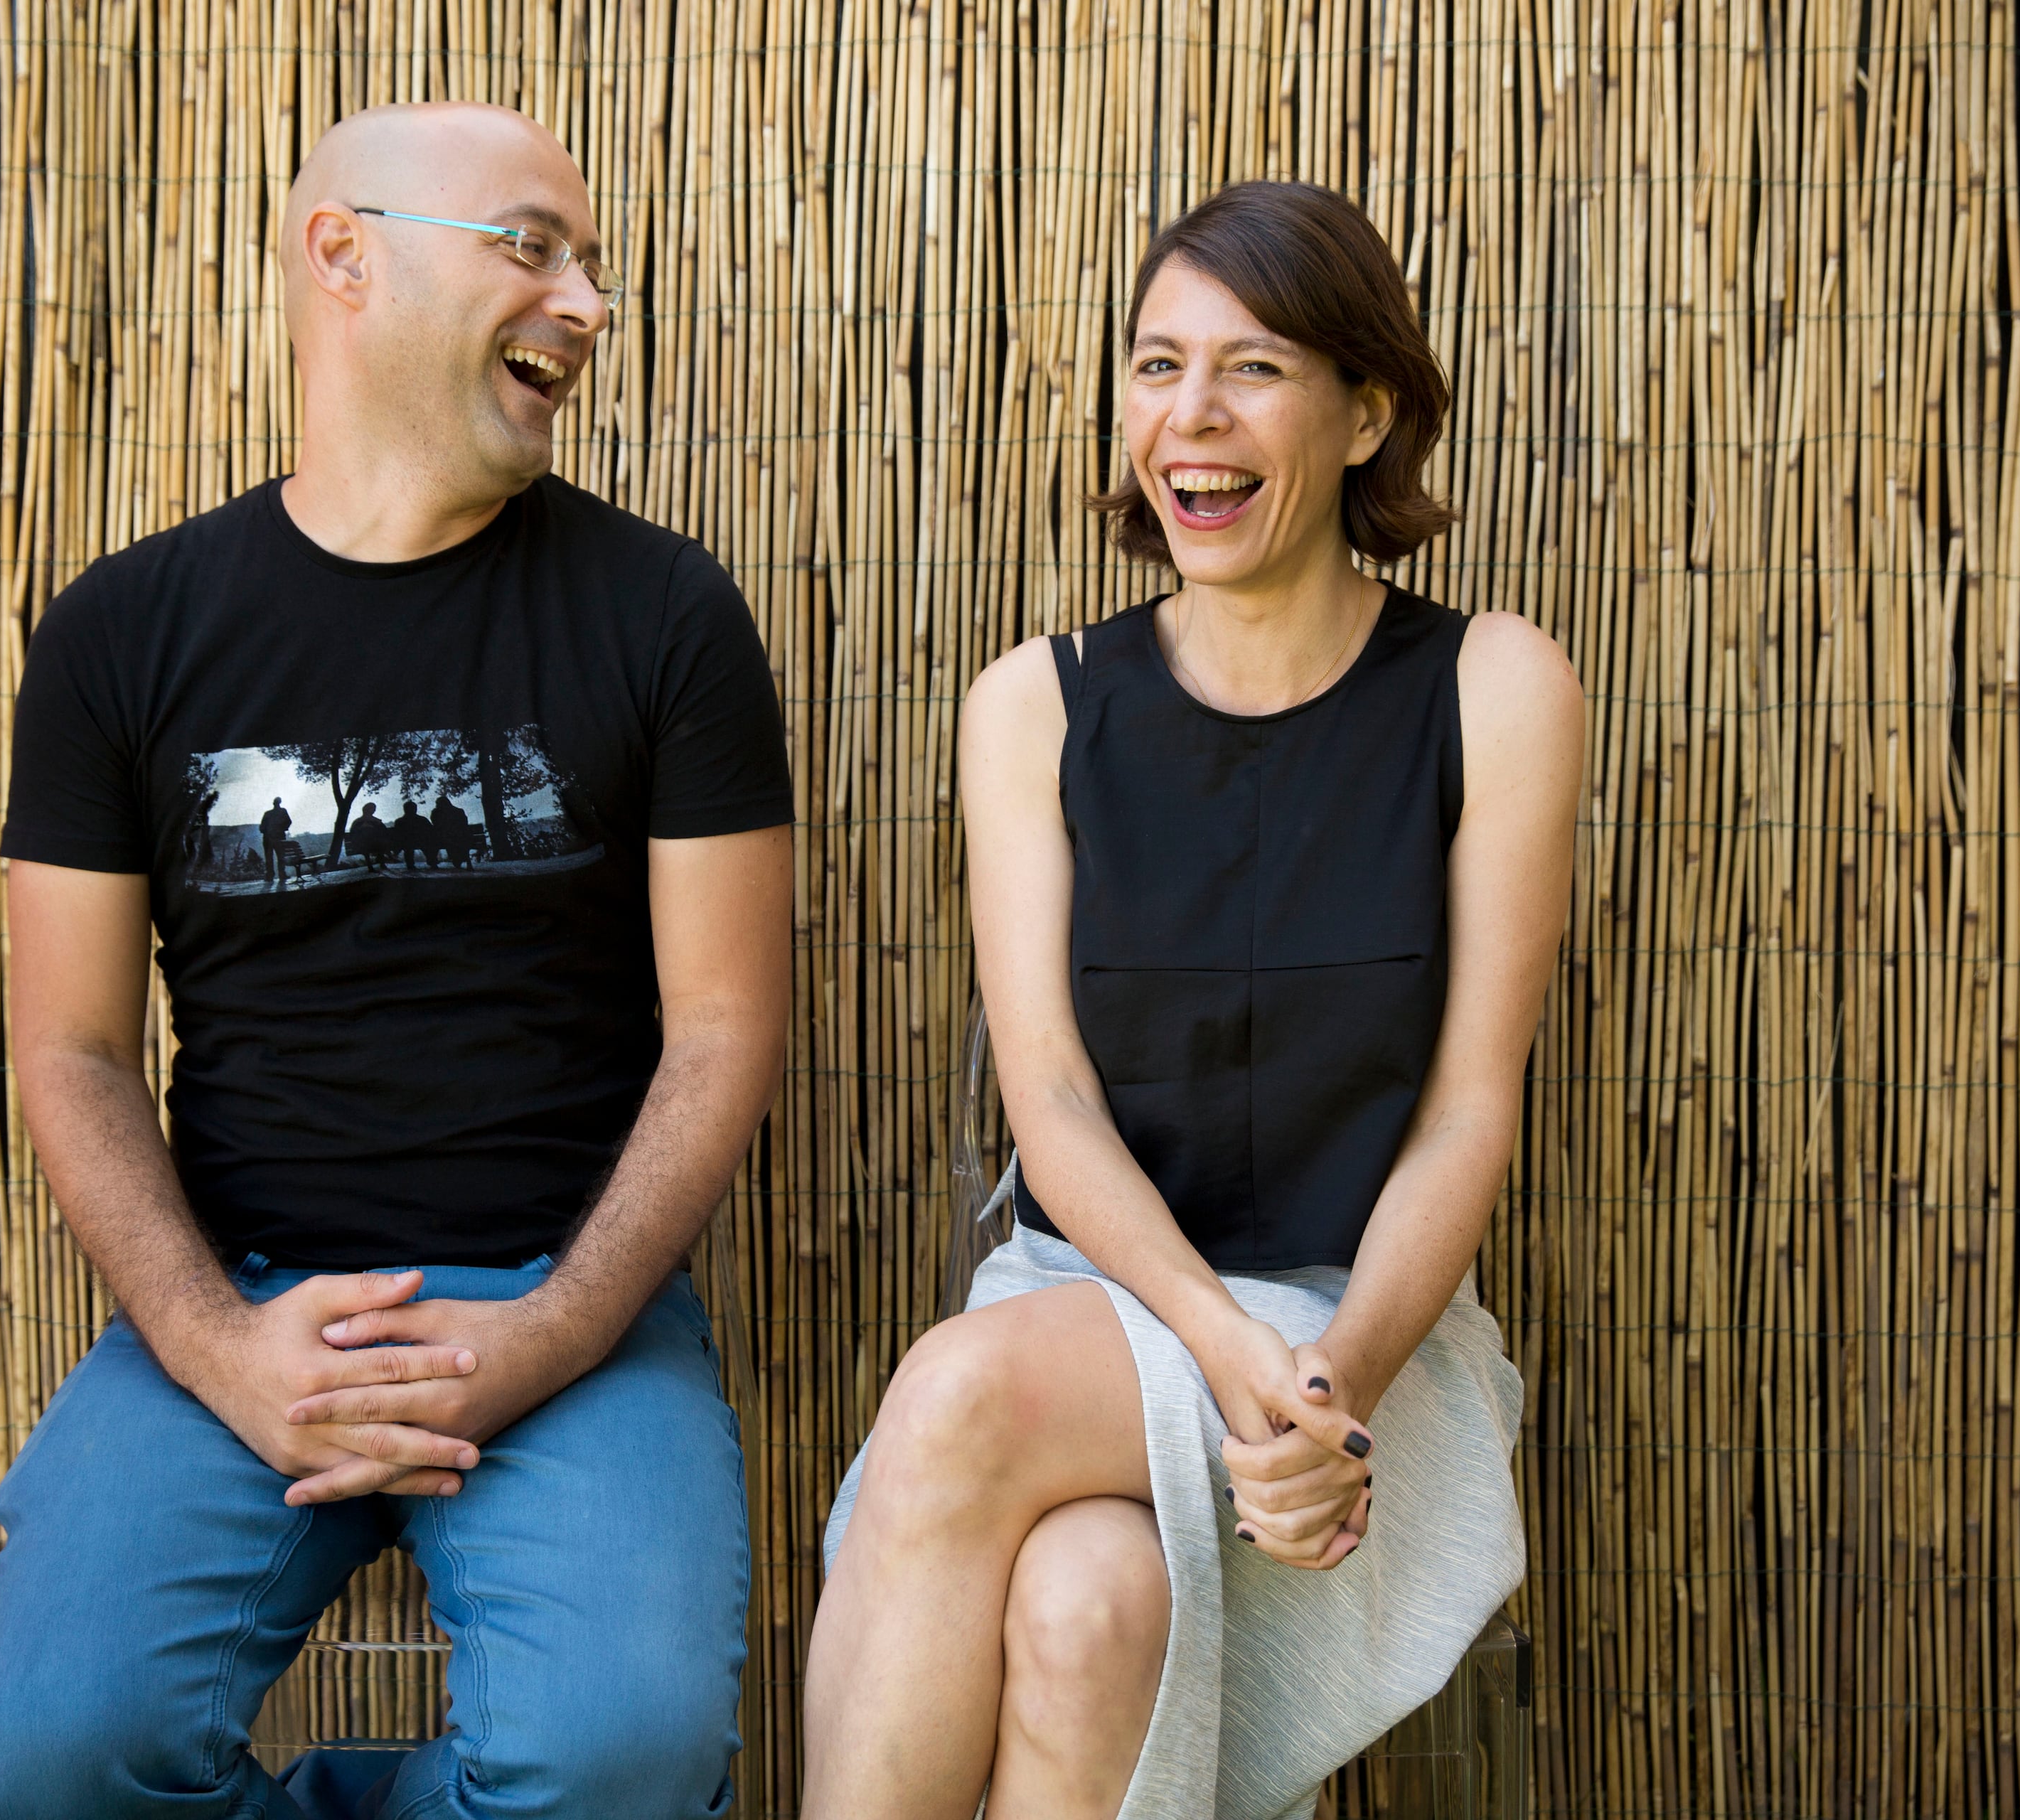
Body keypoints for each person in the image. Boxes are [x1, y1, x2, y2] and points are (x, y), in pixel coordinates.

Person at [0, 102, 796, 1820]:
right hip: (245, 1299)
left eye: (590, 260)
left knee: (617, 1767)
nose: (585, 301)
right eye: (530, 245)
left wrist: (554, 1326)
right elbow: (73, 1051)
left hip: (571, 1302)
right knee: (52, 1772)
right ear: (344, 252)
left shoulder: (667, 617)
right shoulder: (124, 632)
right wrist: (217, 1342)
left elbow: (721, 1031)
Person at [800, 182, 1583, 1820]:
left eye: (1253, 369)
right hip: (1093, 1290)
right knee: (1088, 1604)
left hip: (1354, 1335)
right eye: (1156, 366)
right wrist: (1212, 1339)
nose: (1190, 418)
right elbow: (1053, 1102)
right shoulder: (1035, 704)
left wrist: (1328, 1384)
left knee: (952, 1393)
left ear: (1368, 411)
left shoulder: (1490, 687)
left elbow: (1463, 1110)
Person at [260, 795, 296, 885]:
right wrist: (282, 829)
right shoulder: (283, 811)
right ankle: (281, 874)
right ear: (280, 803)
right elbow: (289, 822)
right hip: (278, 837)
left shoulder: (268, 813)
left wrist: (267, 831)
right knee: (280, 857)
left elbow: (262, 827)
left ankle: (270, 875)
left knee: (271, 858)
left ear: (274, 803)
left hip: (268, 838)